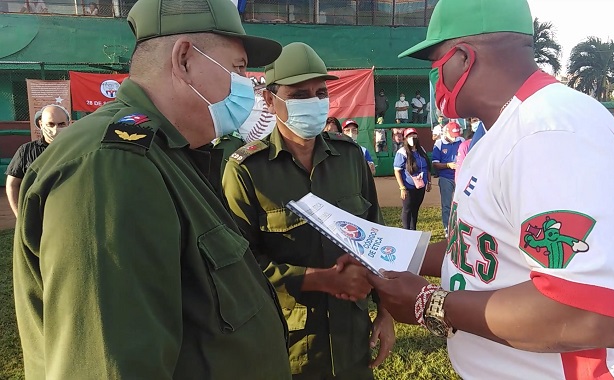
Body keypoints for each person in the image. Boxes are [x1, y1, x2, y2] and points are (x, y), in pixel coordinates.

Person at [358, 0, 614, 378]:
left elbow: (590, 315)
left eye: (436, 62)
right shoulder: (504, 130)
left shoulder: (550, 131)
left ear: (462, 57)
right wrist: (378, 254)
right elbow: (478, 249)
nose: (435, 77)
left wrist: (429, 304)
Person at [12, 0, 293, 378]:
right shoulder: (112, 168)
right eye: (239, 69)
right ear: (184, 60)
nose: (250, 85)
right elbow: (110, 365)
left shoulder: (166, 153)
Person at [223, 42, 395, 380]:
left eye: (320, 92)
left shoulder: (349, 159)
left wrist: (385, 313)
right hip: (287, 342)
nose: (314, 102)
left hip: (352, 337)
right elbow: (238, 266)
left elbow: (377, 239)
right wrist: (320, 280)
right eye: (299, 94)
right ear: (270, 101)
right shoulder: (246, 170)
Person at [6, 105, 69, 217]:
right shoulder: (26, 151)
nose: (55, 129)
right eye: (51, 124)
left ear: (68, 124)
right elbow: (12, 184)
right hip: (36, 214)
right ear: (41, 124)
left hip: (67, 212)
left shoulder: (76, 149)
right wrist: (20, 216)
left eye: (61, 124)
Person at [394, 128, 431, 230]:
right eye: (410, 136)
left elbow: (427, 167)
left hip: (420, 186)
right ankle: (406, 231)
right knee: (407, 209)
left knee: (416, 208)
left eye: (414, 136)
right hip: (408, 186)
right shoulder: (402, 152)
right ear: (405, 138)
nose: (412, 138)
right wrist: (402, 188)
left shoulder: (421, 150)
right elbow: (397, 171)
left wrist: (429, 181)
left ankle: (413, 230)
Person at [431, 120, 463, 233]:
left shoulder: (461, 141)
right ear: (446, 133)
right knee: (446, 205)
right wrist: (448, 165)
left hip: (460, 176)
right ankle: (447, 229)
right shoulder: (439, 143)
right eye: (453, 135)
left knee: (462, 203)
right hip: (446, 177)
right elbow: (435, 163)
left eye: (456, 135)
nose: (455, 138)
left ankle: (461, 227)